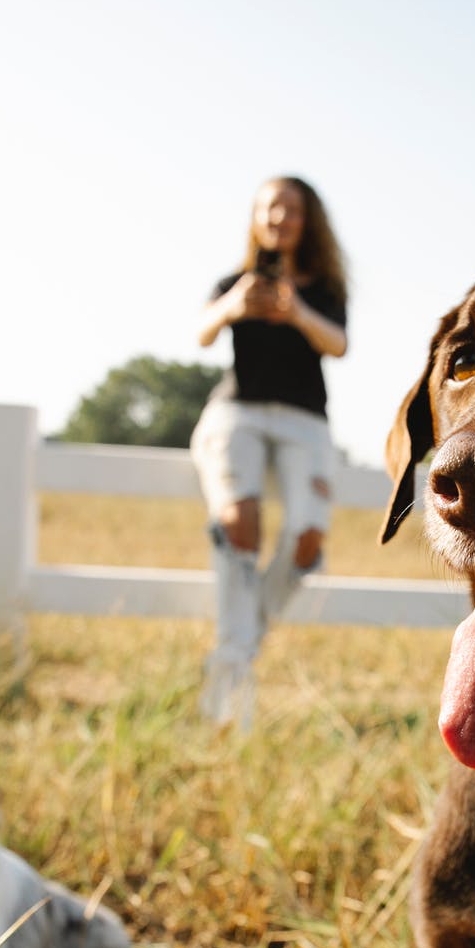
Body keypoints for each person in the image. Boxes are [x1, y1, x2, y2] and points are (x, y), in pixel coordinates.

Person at [190, 176, 349, 725]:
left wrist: (296, 312)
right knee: (239, 519)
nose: (280, 216)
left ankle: (235, 648)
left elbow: (339, 344)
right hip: (239, 410)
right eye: (270, 207)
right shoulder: (234, 281)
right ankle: (233, 665)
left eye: (291, 208)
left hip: (304, 419)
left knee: (308, 536)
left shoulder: (324, 288)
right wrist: (236, 305)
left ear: (308, 220)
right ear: (257, 217)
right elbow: (203, 334)